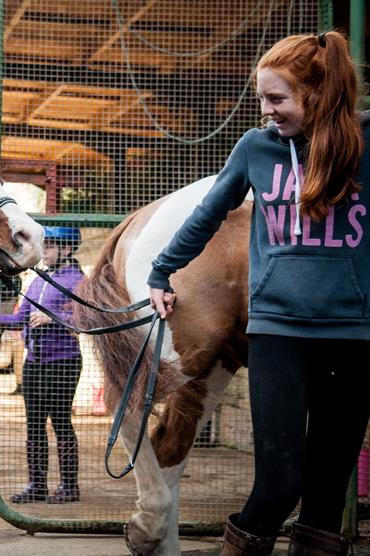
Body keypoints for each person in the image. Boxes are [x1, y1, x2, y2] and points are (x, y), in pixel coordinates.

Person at [148, 32, 370, 556]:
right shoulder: (258, 147)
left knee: (325, 496)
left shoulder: (364, 147)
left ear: (317, 95)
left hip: (355, 336)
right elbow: (208, 215)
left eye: (277, 99)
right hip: (278, 333)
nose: (266, 110)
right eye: (262, 99)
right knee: (278, 484)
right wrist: (163, 270)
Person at [0, 226, 85, 504]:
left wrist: (53, 318)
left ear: (67, 249)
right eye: (44, 245)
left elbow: (87, 322)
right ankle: (37, 485)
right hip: (33, 363)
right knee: (34, 425)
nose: (44, 251)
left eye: (50, 246)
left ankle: (69, 486)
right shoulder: (37, 281)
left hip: (63, 362)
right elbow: (21, 318)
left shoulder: (79, 281)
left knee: (60, 422)